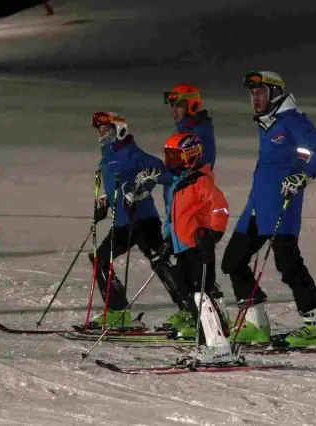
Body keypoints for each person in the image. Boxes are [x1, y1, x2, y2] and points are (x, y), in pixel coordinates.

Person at [220, 71, 316, 349]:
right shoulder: (268, 123)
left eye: (260, 93)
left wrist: (304, 176)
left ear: (274, 94)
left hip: (282, 205)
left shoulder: (292, 121)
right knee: (233, 261)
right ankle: (255, 323)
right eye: (252, 94)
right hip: (256, 208)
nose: (255, 98)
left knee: (288, 264)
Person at [87, 112, 184, 329]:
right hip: (122, 223)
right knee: (101, 260)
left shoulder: (133, 154)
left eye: (107, 129)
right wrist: (106, 201)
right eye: (100, 130)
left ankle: (189, 309)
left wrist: (143, 187)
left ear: (119, 130)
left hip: (143, 220)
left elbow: (166, 174)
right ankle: (118, 312)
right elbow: (117, 186)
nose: (102, 134)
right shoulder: (106, 158)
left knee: (160, 261)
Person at [156, 83, 230, 331]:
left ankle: (209, 324)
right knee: (183, 275)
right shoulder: (186, 131)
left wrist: (213, 230)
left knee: (198, 279)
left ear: (192, 104)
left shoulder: (198, 134)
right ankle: (195, 316)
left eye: (178, 105)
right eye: (171, 106)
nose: (173, 111)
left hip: (193, 223)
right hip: (179, 218)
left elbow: (200, 180)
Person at [159, 131, 233, 361]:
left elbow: (220, 207)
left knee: (202, 295)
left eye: (174, 156)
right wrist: (167, 240)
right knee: (190, 295)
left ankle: (219, 346)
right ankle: (206, 341)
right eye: (168, 155)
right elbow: (173, 217)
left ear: (189, 156)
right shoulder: (179, 182)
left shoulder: (201, 181)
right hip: (181, 247)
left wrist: (213, 233)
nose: (169, 160)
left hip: (198, 247)